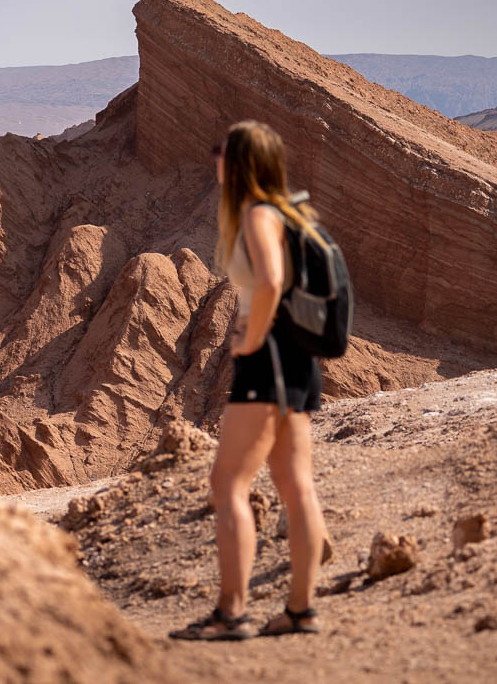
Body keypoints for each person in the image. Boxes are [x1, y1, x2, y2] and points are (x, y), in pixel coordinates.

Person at [170, 120, 329, 641]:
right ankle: (300, 611)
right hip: (300, 361)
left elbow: (270, 282)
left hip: (271, 363)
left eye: (222, 153)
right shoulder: (292, 212)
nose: (214, 161)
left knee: (228, 484)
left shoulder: (259, 214)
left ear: (241, 163)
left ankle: (230, 614)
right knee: (294, 486)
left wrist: (250, 339)